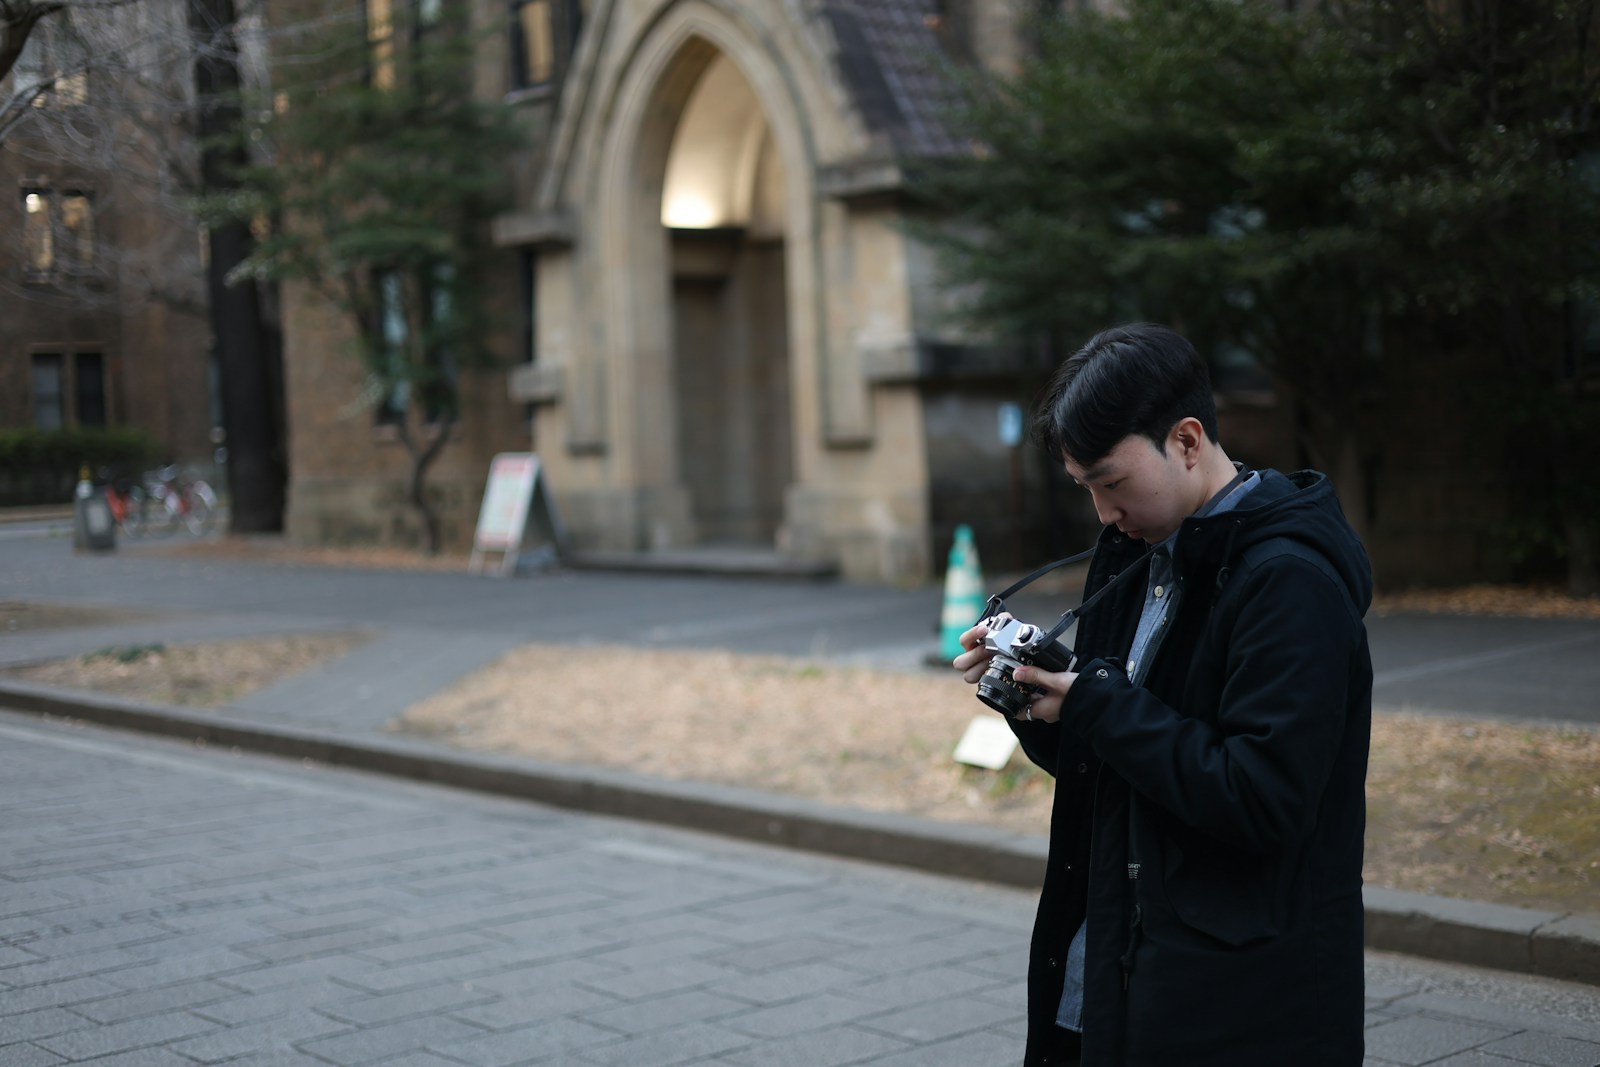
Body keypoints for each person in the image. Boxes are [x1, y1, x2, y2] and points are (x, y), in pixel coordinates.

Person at [953, 323, 1372, 1067]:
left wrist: (1096, 702)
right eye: (1085, 489)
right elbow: (1120, 765)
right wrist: (1036, 698)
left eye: (1111, 482)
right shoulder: (1143, 551)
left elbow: (1262, 796)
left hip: (1231, 997)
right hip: (1120, 965)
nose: (1103, 513)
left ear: (1186, 440)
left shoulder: (1288, 581)